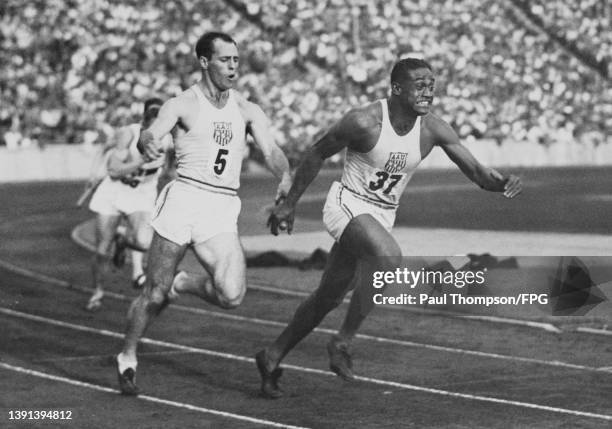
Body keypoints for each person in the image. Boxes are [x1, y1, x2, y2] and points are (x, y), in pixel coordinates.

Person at [256, 57, 522, 398]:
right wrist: (289, 203)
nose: (428, 92)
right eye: (420, 85)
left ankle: (271, 356)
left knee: (328, 297)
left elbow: (478, 173)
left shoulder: (433, 129)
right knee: (389, 259)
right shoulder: (364, 122)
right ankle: (342, 342)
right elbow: (316, 154)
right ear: (396, 88)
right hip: (347, 204)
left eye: (431, 85)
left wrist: (502, 184)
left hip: (381, 215)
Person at [115, 31, 292, 395]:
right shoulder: (182, 104)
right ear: (204, 62)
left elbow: (271, 150)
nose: (233, 66)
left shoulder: (246, 109)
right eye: (225, 59)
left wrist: (286, 179)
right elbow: (151, 133)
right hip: (183, 200)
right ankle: (128, 357)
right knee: (154, 293)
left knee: (231, 294)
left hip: (220, 207)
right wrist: (147, 143)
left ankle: (184, 283)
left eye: (236, 60)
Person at [85, 98, 173, 311]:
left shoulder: (169, 138)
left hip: (142, 193)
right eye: (153, 127)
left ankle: (123, 241)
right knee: (102, 249)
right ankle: (97, 291)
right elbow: (114, 171)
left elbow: (170, 162)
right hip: (115, 190)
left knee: (144, 242)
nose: (157, 132)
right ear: (144, 122)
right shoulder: (129, 134)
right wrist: (96, 172)